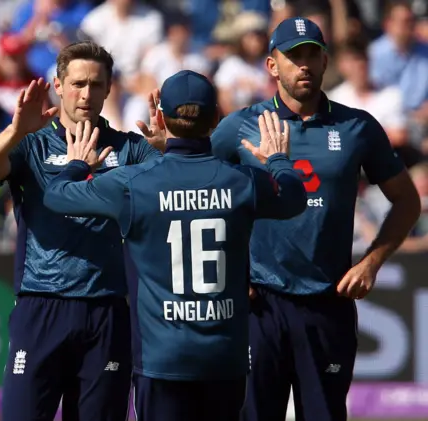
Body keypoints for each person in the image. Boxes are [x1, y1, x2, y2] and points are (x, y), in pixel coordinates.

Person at [41, 69, 307, 421]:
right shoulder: (242, 181)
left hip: (161, 358)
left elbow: (56, 196)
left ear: (162, 118)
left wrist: (76, 163)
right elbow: (294, 199)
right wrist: (278, 160)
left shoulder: (134, 183)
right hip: (223, 358)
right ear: (215, 118)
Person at [210, 17, 421, 421]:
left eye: (313, 54)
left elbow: (407, 202)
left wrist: (371, 262)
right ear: (272, 65)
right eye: (293, 56)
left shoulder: (357, 127)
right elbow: (200, 195)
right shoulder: (239, 126)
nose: (304, 64)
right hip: (259, 306)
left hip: (329, 302)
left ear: (326, 62)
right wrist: (229, 271)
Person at [0, 41, 164, 421]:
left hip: (107, 310)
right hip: (41, 306)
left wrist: (168, 149)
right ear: (58, 85)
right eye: (77, 84)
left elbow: (178, 188)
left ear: (109, 89)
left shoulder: (130, 149)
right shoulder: (33, 143)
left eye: (95, 84)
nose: (86, 94)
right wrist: (14, 131)